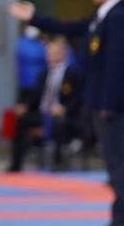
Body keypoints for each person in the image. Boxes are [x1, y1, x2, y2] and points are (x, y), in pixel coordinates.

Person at [9, 0, 124, 226]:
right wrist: (35, 18)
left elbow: (116, 65)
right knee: (112, 159)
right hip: (102, 99)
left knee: (119, 160)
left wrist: (108, 103)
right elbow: (68, 28)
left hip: (113, 103)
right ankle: (120, 215)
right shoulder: (101, 16)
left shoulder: (119, 17)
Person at [7, 37, 82, 173]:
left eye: (54, 52)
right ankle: (15, 164)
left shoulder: (73, 75)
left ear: (63, 53)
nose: (50, 55)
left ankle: (57, 163)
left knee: (59, 123)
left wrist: (64, 108)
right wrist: (26, 106)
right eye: (49, 52)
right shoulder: (43, 74)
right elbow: (35, 96)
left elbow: (77, 98)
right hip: (42, 114)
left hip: (62, 116)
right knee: (21, 121)